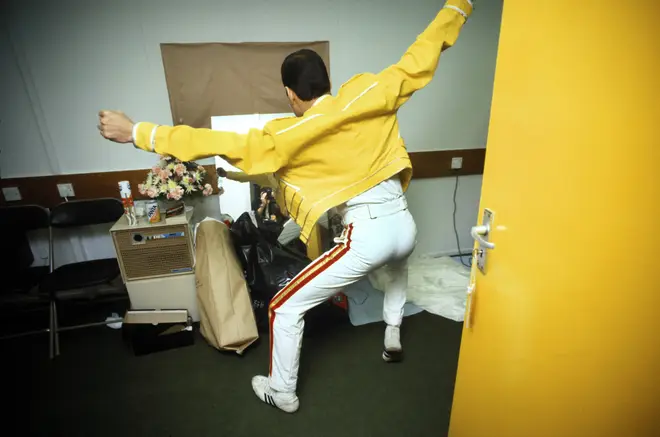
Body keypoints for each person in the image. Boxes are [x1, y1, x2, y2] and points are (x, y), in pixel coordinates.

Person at [98, 0, 473, 413]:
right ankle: (392, 334)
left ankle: (283, 391)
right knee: (399, 266)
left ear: (291, 93)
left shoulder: (287, 136)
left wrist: (137, 131)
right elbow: (422, 53)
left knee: (284, 306)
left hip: (367, 236)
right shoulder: (371, 93)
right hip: (405, 225)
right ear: (326, 81)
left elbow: (218, 143)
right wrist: (459, 5)